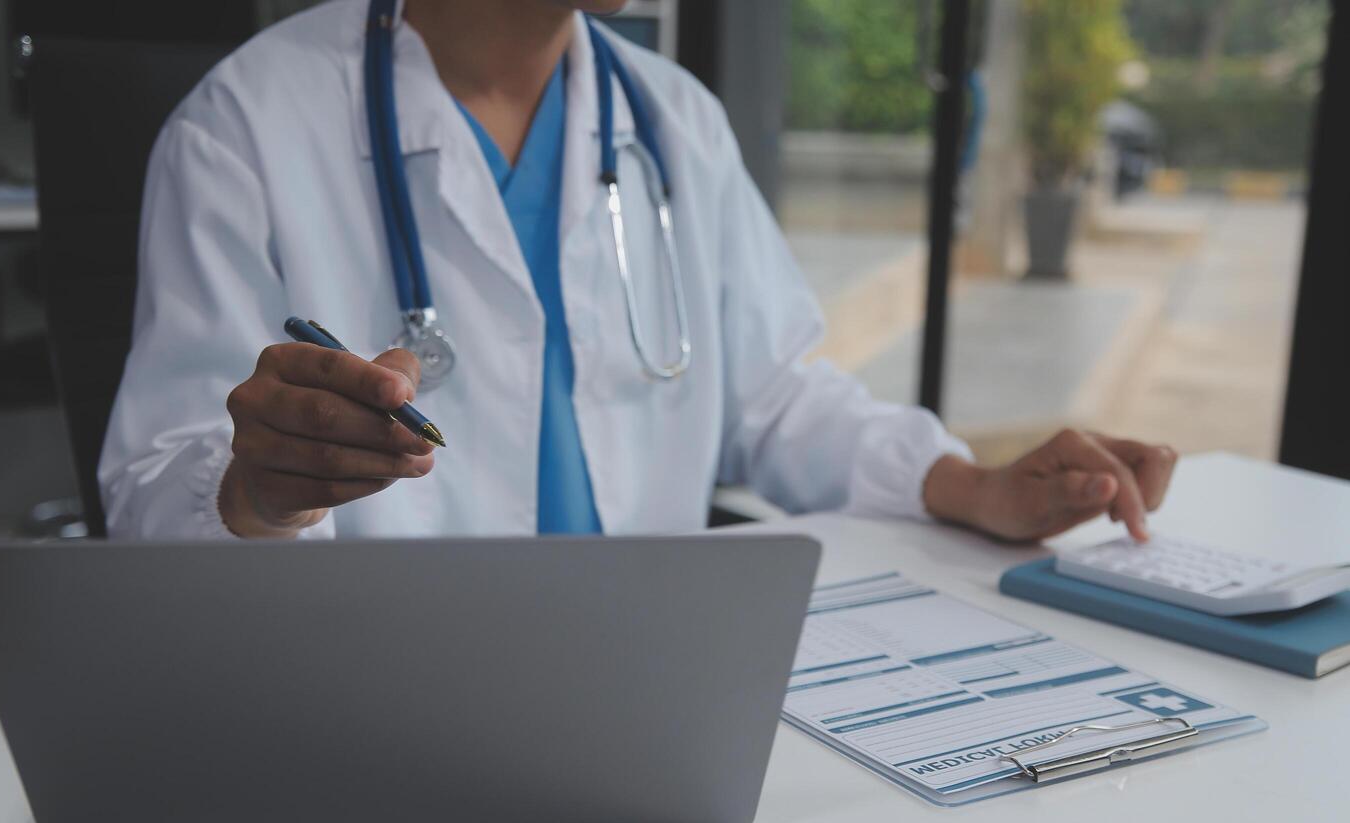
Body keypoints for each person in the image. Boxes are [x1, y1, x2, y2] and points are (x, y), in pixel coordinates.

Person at [101, 0, 1177, 543]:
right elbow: (155, 484)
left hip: (641, 699)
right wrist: (255, 490)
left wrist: (968, 486)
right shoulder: (245, 126)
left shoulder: (672, 120)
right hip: (361, 706)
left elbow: (772, 395)